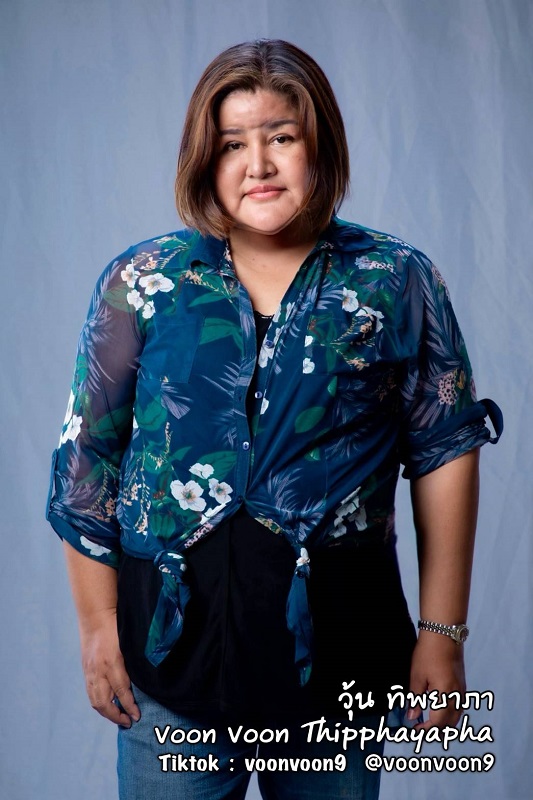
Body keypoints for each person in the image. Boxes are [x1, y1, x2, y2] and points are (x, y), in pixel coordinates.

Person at [47, 39, 502, 800]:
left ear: (320, 144)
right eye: (232, 144)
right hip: (171, 664)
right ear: (204, 158)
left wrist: (442, 633)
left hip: (339, 655)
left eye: (281, 137)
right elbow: (88, 459)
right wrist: (98, 626)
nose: (257, 164)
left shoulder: (393, 278)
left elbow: (444, 450)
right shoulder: (144, 281)